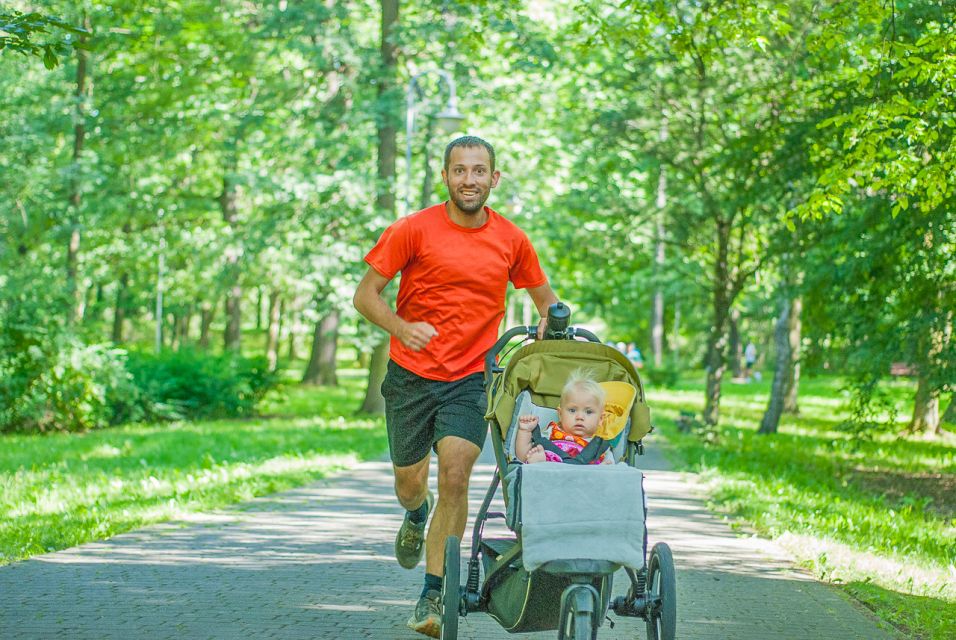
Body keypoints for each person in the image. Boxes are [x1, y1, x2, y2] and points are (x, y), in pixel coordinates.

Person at [352, 135, 559, 638]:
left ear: (494, 178)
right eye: (460, 170)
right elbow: (365, 296)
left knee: (458, 473)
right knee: (409, 484)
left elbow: (547, 302)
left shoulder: (512, 239)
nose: (470, 179)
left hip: (471, 377)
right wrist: (401, 327)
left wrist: (550, 325)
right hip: (409, 376)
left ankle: (432, 593)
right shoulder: (412, 229)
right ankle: (415, 513)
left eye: (479, 170)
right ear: (445, 176)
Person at [515, 369, 614, 465]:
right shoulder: (551, 433)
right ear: (561, 414)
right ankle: (540, 464)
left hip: (583, 478)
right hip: (549, 474)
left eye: (588, 412)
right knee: (538, 451)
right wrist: (525, 431)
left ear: (600, 419)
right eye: (572, 410)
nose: (580, 417)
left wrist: (604, 469)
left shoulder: (599, 446)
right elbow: (523, 457)